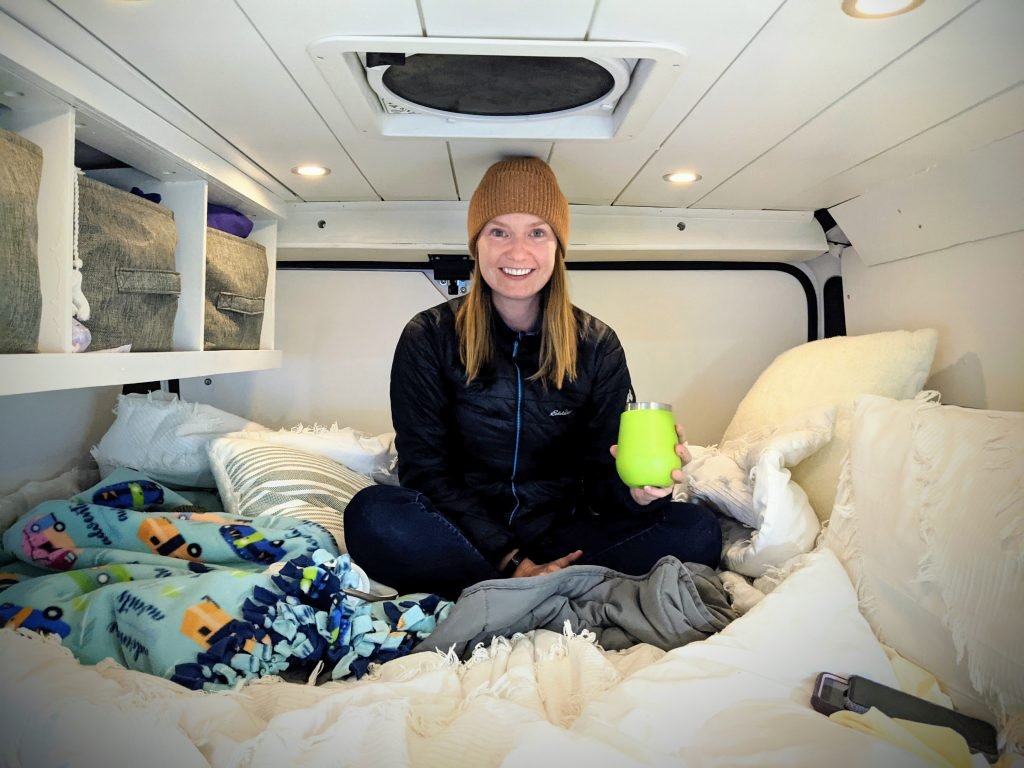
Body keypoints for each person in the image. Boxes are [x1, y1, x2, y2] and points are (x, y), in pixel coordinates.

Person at [344, 157, 721, 598]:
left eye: (537, 232)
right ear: (476, 246)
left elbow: (604, 477)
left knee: (697, 531)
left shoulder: (598, 345)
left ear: (558, 248)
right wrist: (512, 560)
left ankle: (509, 590)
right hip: (464, 535)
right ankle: (546, 589)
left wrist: (638, 493)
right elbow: (426, 473)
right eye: (498, 231)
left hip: (566, 536)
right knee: (371, 515)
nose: (517, 252)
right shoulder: (428, 337)